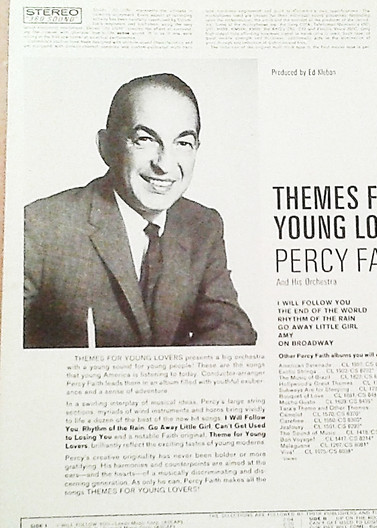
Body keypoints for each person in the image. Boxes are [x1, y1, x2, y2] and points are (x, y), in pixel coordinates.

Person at [24, 73, 257, 348]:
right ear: (106, 146)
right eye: (145, 139)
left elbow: (231, 326)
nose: (164, 165)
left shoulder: (203, 225)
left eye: (183, 143)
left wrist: (168, 372)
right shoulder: (40, 226)